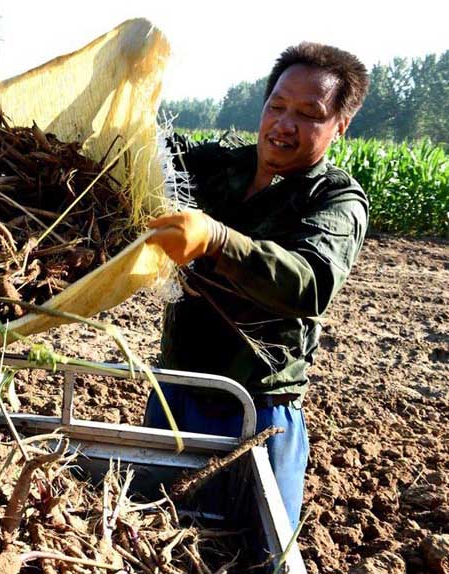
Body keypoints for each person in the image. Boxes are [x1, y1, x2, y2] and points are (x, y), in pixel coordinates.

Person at [143, 42, 370, 529]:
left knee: (254, 551)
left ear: (340, 125)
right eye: (277, 106)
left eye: (309, 114)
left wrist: (218, 240)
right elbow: (141, 150)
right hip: (175, 395)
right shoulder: (221, 168)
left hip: (256, 415)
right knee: (148, 535)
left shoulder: (335, 200)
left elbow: (309, 284)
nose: (285, 124)